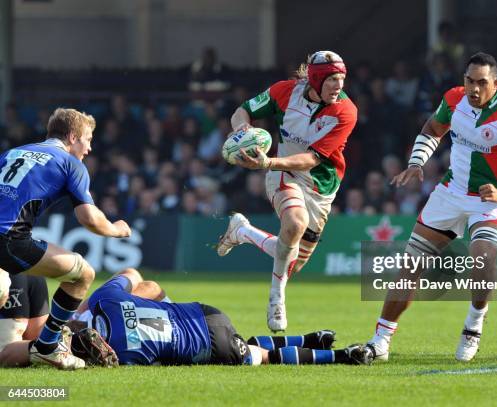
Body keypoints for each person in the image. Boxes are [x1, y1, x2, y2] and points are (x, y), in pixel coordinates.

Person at [366, 52, 497, 362]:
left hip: (489, 200)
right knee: (410, 266)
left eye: (481, 83)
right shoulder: (453, 99)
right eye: (469, 81)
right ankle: (380, 341)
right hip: (450, 193)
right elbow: (432, 129)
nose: (473, 89)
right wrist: (416, 162)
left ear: (496, 83)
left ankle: (473, 326)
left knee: (481, 260)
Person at [217, 51, 358, 332]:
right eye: (332, 79)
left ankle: (242, 232)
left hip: (319, 184)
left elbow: (312, 159)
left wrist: (268, 161)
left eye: (341, 79)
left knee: (293, 262)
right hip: (285, 174)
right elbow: (241, 111)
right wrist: (242, 129)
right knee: (295, 224)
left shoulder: (345, 111)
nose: (338, 86)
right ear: (316, 79)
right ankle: (276, 299)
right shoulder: (284, 92)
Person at [0, 268, 374, 367]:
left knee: (259, 358)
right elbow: (132, 274)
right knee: (247, 344)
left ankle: (338, 356)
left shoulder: (124, 357)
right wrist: (89, 305)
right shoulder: (104, 301)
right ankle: (310, 338)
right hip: (205, 311)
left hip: (208, 342)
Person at [0, 108, 131, 370]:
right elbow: (89, 219)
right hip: (9, 240)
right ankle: (48, 347)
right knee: (83, 275)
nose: (89, 148)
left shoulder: (12, 152)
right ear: (72, 137)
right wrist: (118, 229)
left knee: (1, 290)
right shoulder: (71, 163)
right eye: (88, 139)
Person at [0, 274, 49, 357]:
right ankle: (70, 343)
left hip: (7, 273)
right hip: (35, 270)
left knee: (4, 349)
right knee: (38, 342)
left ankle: (60, 347)